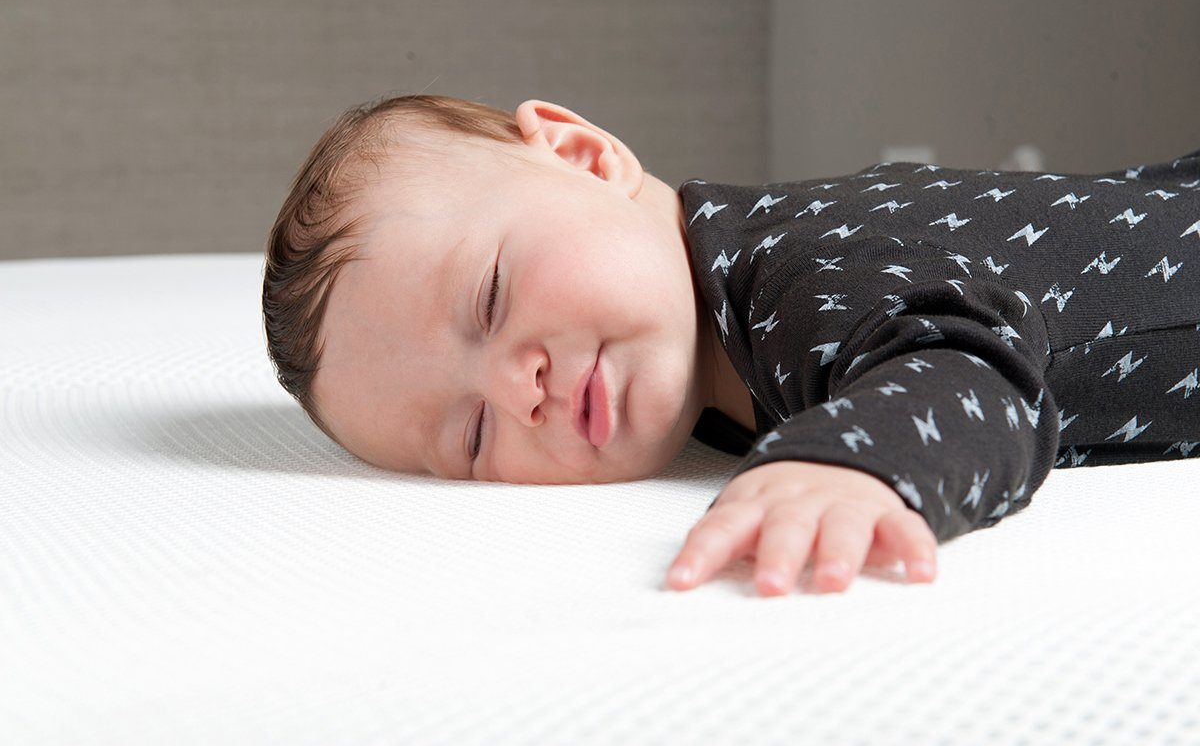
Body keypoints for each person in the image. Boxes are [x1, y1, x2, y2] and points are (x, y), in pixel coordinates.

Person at [263, 94, 1200, 597]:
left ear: (586, 158)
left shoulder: (801, 273)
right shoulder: (709, 365)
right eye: (470, 434)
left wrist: (845, 465)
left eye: (491, 297)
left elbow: (968, 371)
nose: (520, 391)